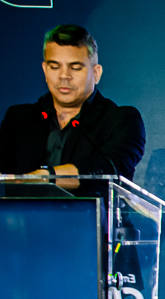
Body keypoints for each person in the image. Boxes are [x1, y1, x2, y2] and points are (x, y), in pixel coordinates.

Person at [0, 24, 145, 187]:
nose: (64, 76)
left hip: (92, 212)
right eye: (54, 67)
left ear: (96, 73)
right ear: (45, 71)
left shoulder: (123, 120)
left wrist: (46, 177)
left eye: (75, 68)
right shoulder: (19, 118)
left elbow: (108, 168)